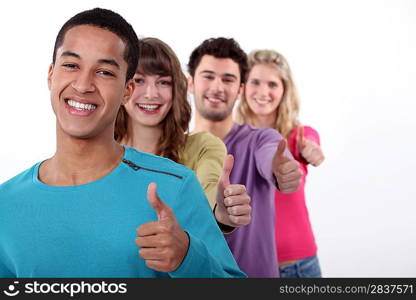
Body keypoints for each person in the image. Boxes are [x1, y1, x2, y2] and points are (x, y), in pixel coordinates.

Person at [0, 8, 245, 278]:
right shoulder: (5, 203)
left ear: (126, 90)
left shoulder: (176, 186)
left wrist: (188, 257)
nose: (83, 85)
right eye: (71, 65)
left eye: (104, 72)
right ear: (51, 75)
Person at [187, 37, 302, 277]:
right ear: (190, 83)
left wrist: (281, 170)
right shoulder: (174, 149)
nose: (217, 87)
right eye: (208, 76)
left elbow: (271, 156)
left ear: (240, 89)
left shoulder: (260, 140)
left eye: (228, 79)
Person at [114, 38, 251, 231]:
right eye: (139, 80)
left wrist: (221, 211)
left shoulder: (203, 147)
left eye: (163, 82)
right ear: (123, 86)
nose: (151, 94)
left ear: (176, 88)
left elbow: (209, 189)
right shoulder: (98, 152)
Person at [236, 49, 325, 277]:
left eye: (272, 84)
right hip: (248, 267)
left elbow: (312, 144)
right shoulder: (232, 141)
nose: (263, 92)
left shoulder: (300, 137)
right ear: (243, 86)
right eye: (255, 82)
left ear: (284, 90)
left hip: (299, 267)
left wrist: (311, 151)